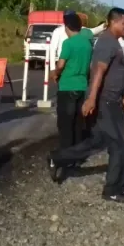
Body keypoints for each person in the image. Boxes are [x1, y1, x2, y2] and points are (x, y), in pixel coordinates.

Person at [47, 7, 124, 204]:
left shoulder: (114, 42)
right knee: (119, 146)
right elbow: (98, 72)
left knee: (96, 142)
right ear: (113, 22)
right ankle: (111, 190)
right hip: (105, 102)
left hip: (113, 100)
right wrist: (92, 98)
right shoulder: (106, 43)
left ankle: (57, 158)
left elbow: (114, 75)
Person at [51, 12, 95, 152]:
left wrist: (55, 74)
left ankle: (66, 153)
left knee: (65, 123)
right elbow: (89, 66)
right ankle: (77, 153)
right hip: (81, 86)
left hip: (67, 87)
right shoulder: (87, 45)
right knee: (77, 122)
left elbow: (61, 65)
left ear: (67, 27)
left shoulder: (68, 43)